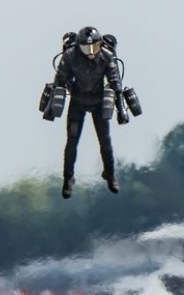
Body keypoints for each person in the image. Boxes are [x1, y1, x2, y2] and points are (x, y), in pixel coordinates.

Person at [50, 26, 129, 199]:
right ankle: (68, 179)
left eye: (94, 47)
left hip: (99, 102)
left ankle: (110, 174)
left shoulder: (107, 57)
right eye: (86, 48)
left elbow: (115, 81)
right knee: (72, 141)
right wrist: (52, 105)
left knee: (105, 141)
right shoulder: (70, 56)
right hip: (77, 102)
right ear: (79, 47)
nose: (91, 52)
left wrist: (121, 109)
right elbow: (60, 80)